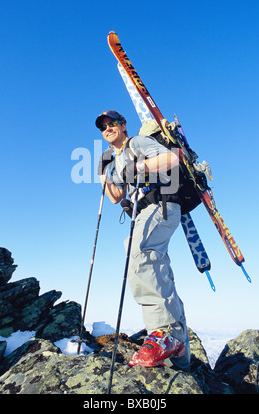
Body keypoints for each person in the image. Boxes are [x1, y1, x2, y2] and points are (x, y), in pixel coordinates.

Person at [96, 110, 190, 369]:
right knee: (152, 263)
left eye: (112, 123)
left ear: (123, 126)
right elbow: (115, 197)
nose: (107, 128)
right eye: (103, 126)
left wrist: (138, 166)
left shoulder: (136, 143)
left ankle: (163, 331)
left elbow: (172, 158)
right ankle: (181, 354)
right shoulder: (114, 160)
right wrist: (103, 173)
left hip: (160, 206)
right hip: (145, 213)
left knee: (140, 253)